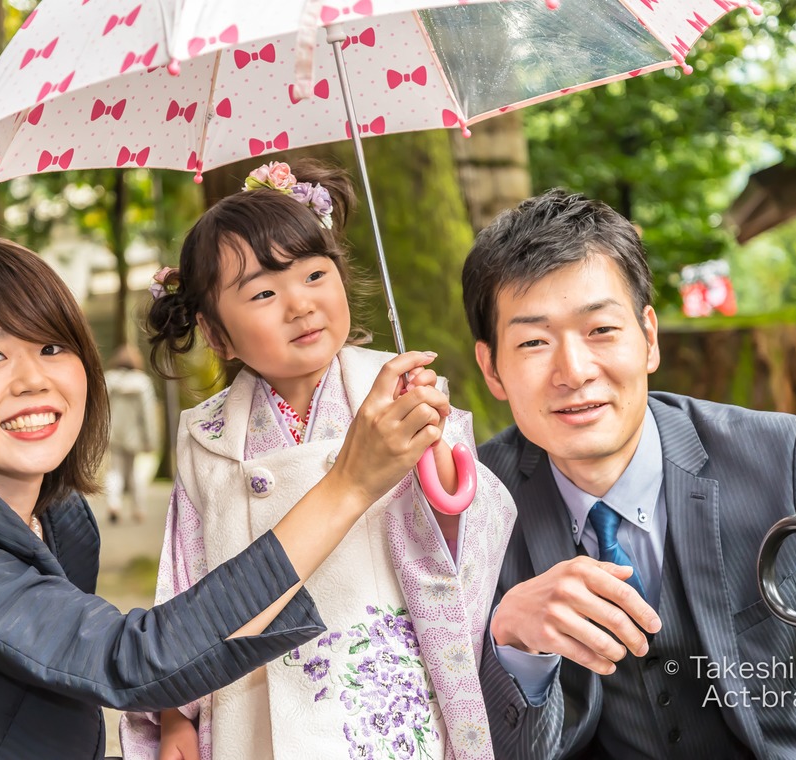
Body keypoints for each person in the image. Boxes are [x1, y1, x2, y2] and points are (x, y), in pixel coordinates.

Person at [0, 236, 455, 760]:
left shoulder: (62, 519)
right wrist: (348, 485)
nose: (33, 379)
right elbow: (127, 660)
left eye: (52, 346)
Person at [460, 190, 796, 759]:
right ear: (491, 368)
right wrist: (512, 644)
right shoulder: (470, 507)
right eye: (535, 342)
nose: (574, 371)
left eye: (600, 331)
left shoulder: (778, 455)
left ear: (649, 338)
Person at [120, 160, 516, 760]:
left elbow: (466, 532)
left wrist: (444, 465)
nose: (299, 304)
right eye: (262, 292)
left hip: (378, 699)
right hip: (250, 704)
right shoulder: (206, 438)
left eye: (313, 274)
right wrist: (176, 714)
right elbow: (184, 582)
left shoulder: (392, 399)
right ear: (217, 334)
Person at [103, 343, 159, 523]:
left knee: (115, 471)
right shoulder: (143, 382)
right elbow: (148, 413)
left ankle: (114, 505)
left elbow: (101, 409)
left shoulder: (108, 379)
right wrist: (151, 439)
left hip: (113, 433)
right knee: (135, 471)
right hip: (135, 436)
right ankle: (138, 509)